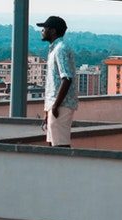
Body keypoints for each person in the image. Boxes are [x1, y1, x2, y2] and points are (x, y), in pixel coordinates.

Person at [36, 16, 78, 147]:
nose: (42, 31)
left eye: (44, 28)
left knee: (60, 145)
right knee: (53, 144)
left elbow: (67, 78)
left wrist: (55, 106)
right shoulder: (55, 49)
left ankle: (66, 168)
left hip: (61, 105)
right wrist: (49, 110)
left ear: (53, 31)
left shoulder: (60, 49)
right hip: (55, 105)